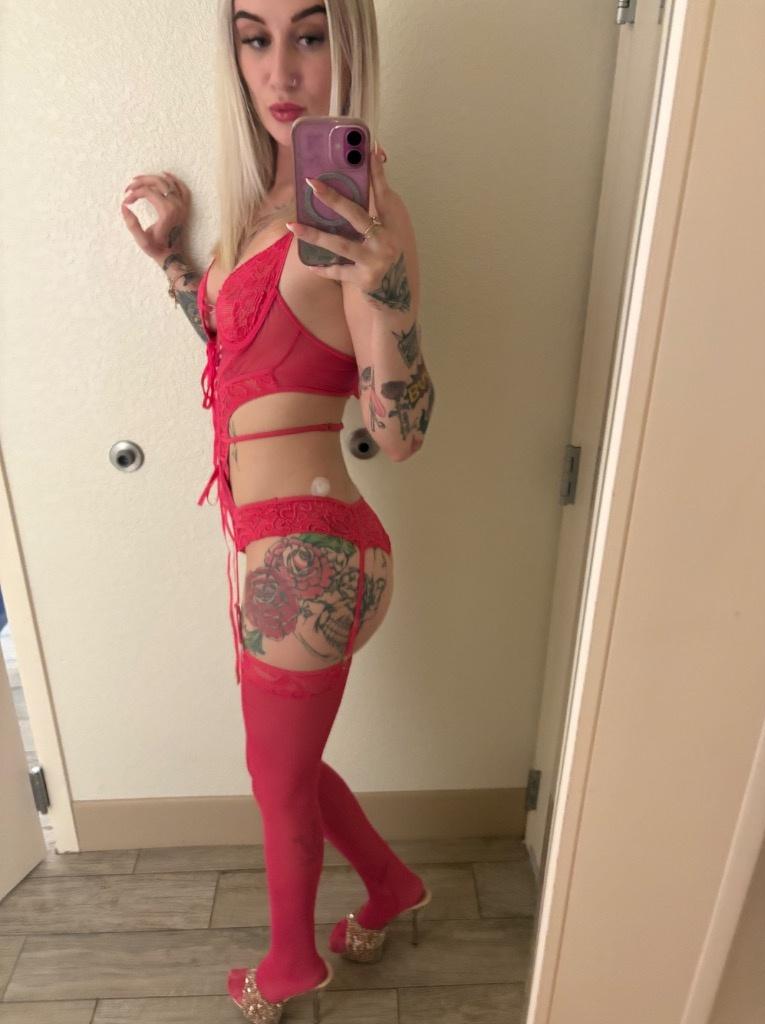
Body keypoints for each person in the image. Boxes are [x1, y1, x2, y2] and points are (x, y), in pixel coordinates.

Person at [120, 1, 435, 1020]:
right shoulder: (263, 206)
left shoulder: (361, 214)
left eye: (310, 34)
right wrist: (175, 260)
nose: (281, 68)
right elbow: (232, 341)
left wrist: (388, 290)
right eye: (255, 38)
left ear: (351, 45)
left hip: (312, 550)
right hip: (266, 547)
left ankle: (291, 965)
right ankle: (391, 884)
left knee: (275, 779)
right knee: (281, 768)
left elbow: (400, 432)